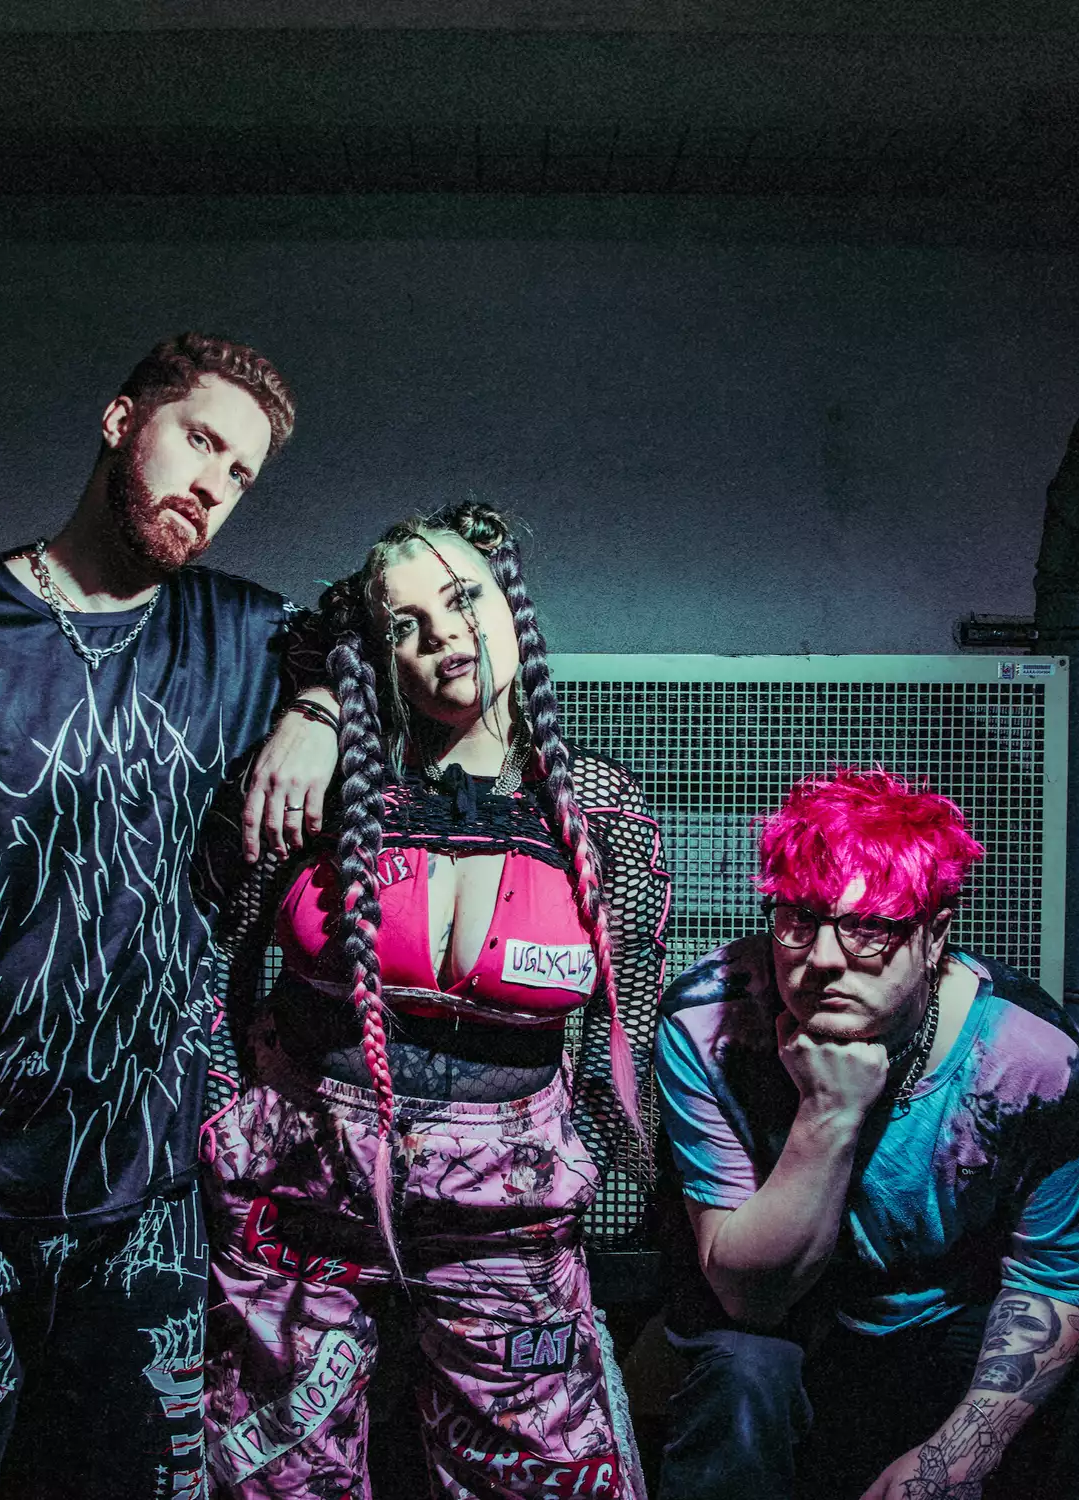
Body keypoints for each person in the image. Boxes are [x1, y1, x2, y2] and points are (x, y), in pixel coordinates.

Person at [0, 333, 341, 1499]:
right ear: (121, 423)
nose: (213, 485)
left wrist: (315, 708)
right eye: (199, 440)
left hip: (146, 1198)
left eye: (241, 473)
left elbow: (376, 616)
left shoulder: (247, 638)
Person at [196, 502, 671, 1499]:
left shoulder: (602, 813)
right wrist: (317, 709)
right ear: (381, 657)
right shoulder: (320, 794)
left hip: (506, 1219)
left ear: (513, 606)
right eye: (405, 625)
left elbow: (624, 1027)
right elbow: (213, 968)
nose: (443, 634)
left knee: (543, 1479)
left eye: (462, 599)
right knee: (278, 1477)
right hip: (302, 1199)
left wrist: (594, 1180)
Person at [652, 768, 1079, 1500]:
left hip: (943, 1318)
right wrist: (829, 1112)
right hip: (781, 1325)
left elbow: (1054, 1281)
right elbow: (748, 1296)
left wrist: (952, 1462)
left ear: (934, 936)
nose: (823, 958)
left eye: (869, 927)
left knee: (1067, 1393)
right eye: (798, 919)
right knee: (743, 1374)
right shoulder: (707, 1024)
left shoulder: (1033, 1058)